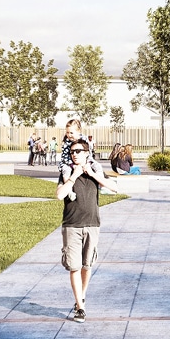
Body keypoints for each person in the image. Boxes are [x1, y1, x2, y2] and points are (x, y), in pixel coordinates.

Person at [55, 138, 118, 323]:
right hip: (71, 225)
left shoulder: (94, 170)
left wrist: (92, 174)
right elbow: (60, 195)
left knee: (87, 265)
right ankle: (80, 307)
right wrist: (74, 176)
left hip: (92, 224)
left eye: (78, 151)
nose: (74, 154)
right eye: (72, 151)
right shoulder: (66, 172)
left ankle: (80, 297)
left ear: (86, 153)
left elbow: (114, 187)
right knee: (74, 266)